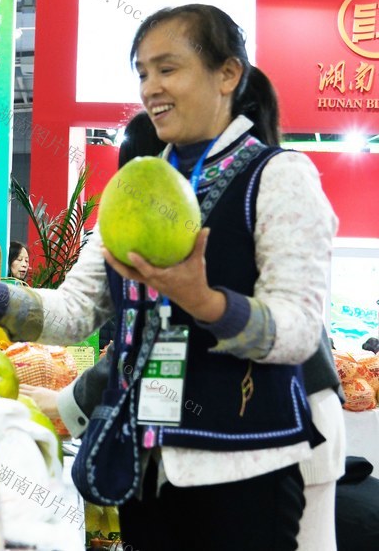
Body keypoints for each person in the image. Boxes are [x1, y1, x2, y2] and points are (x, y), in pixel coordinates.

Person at [0, 4, 337, 551]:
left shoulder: (279, 178)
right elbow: (76, 311)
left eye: (168, 68)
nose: (151, 87)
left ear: (228, 74)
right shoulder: (135, 186)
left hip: (243, 468)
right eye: (143, 72)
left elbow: (296, 331)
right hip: (141, 463)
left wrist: (207, 303)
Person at [22, 110, 346, 551]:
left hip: (284, 421)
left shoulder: (222, 210)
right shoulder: (146, 227)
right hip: (213, 435)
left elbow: (159, 342)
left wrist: (68, 402)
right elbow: (98, 321)